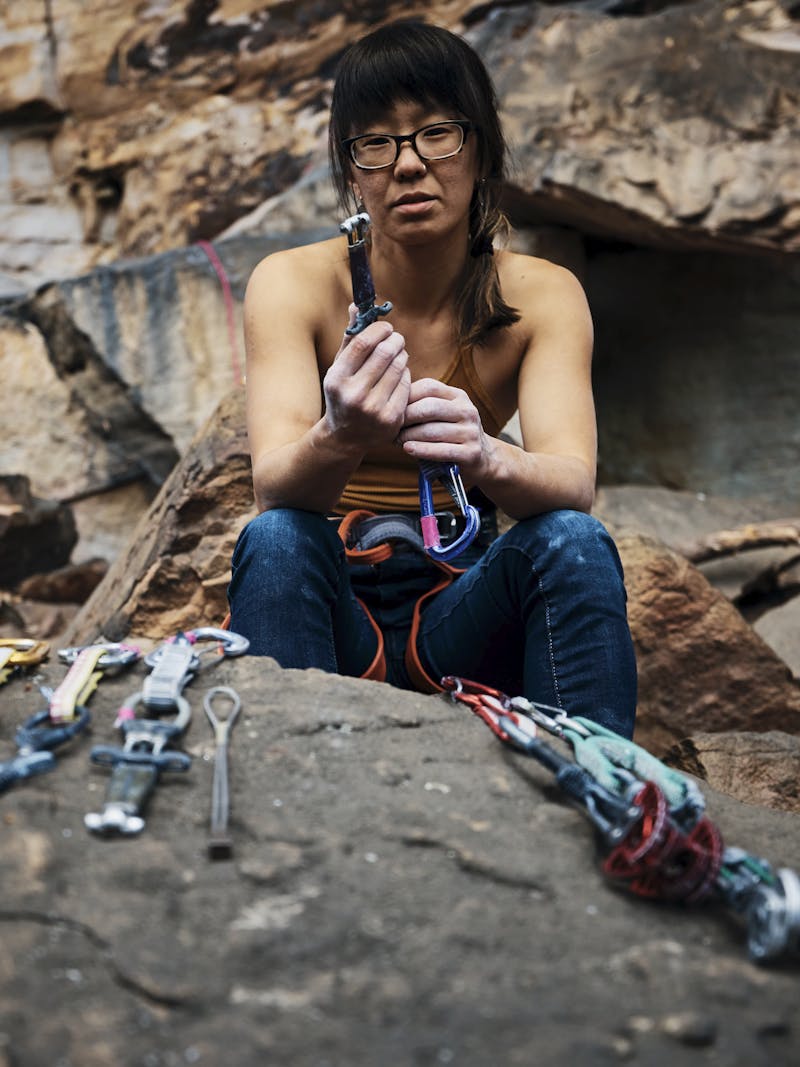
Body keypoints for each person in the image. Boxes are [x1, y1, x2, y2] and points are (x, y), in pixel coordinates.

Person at [228, 19, 637, 737]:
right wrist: (341, 433)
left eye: (436, 133)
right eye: (377, 143)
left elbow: (573, 483)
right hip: (336, 600)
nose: (408, 165)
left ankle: (592, 802)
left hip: (463, 606)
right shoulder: (290, 284)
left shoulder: (542, 295)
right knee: (278, 541)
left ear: (480, 149)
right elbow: (275, 486)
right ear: (352, 170)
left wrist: (485, 454)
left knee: (573, 540)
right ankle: (289, 800)